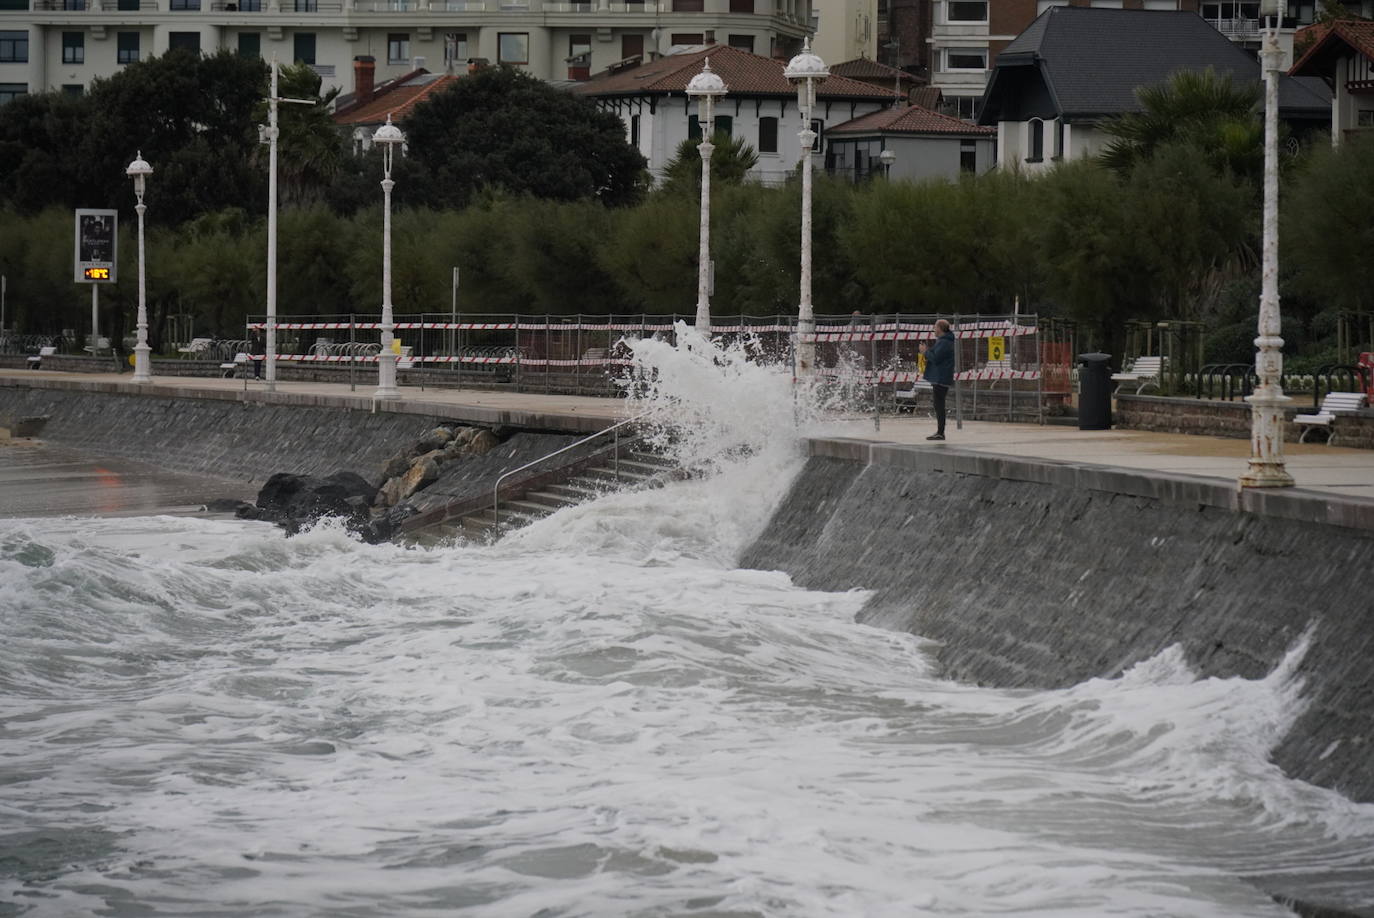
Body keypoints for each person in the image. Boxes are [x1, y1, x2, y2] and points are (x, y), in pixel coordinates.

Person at [918, 318, 955, 440]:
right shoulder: (943, 341)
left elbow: (936, 358)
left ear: (939, 329)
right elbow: (936, 355)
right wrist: (927, 351)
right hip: (940, 377)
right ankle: (940, 431)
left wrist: (925, 352)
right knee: (938, 404)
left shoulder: (944, 342)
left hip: (941, 378)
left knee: (939, 405)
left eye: (935, 327)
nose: (934, 329)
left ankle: (940, 432)